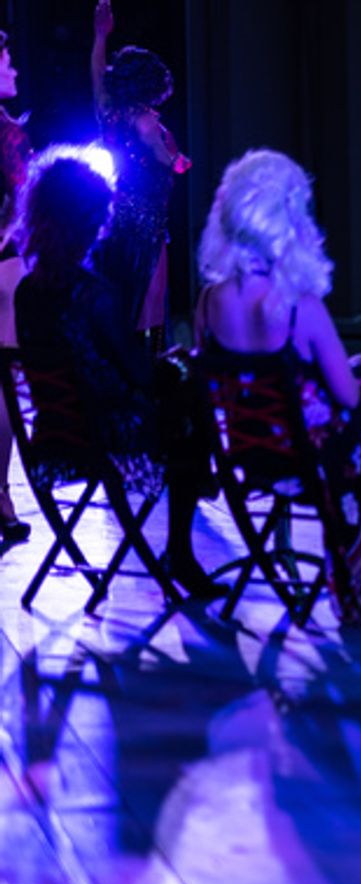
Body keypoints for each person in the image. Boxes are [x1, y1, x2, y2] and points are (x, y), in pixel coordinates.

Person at [195, 149, 361, 623]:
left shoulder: (210, 301)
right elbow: (348, 398)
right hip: (306, 465)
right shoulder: (299, 306)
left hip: (249, 458)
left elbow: (214, 388)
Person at [16, 148, 222, 596]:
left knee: (185, 396)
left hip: (54, 437)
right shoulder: (96, 296)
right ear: (88, 220)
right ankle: (181, 550)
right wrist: (178, 363)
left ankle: (193, 506)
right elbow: (141, 376)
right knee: (191, 403)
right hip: (106, 438)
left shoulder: (27, 292)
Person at [90, 0, 190, 339]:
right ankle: (148, 362)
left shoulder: (109, 111)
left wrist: (100, 37)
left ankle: (121, 354)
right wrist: (178, 160)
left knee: (119, 294)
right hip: (146, 218)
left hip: (116, 217)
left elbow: (97, 73)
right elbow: (169, 162)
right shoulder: (146, 120)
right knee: (151, 298)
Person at [0, 28, 30, 541]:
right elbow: (24, 203)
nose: (15, 68)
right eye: (6, 59)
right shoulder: (8, 136)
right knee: (1, 381)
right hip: (3, 266)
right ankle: (0, 492)